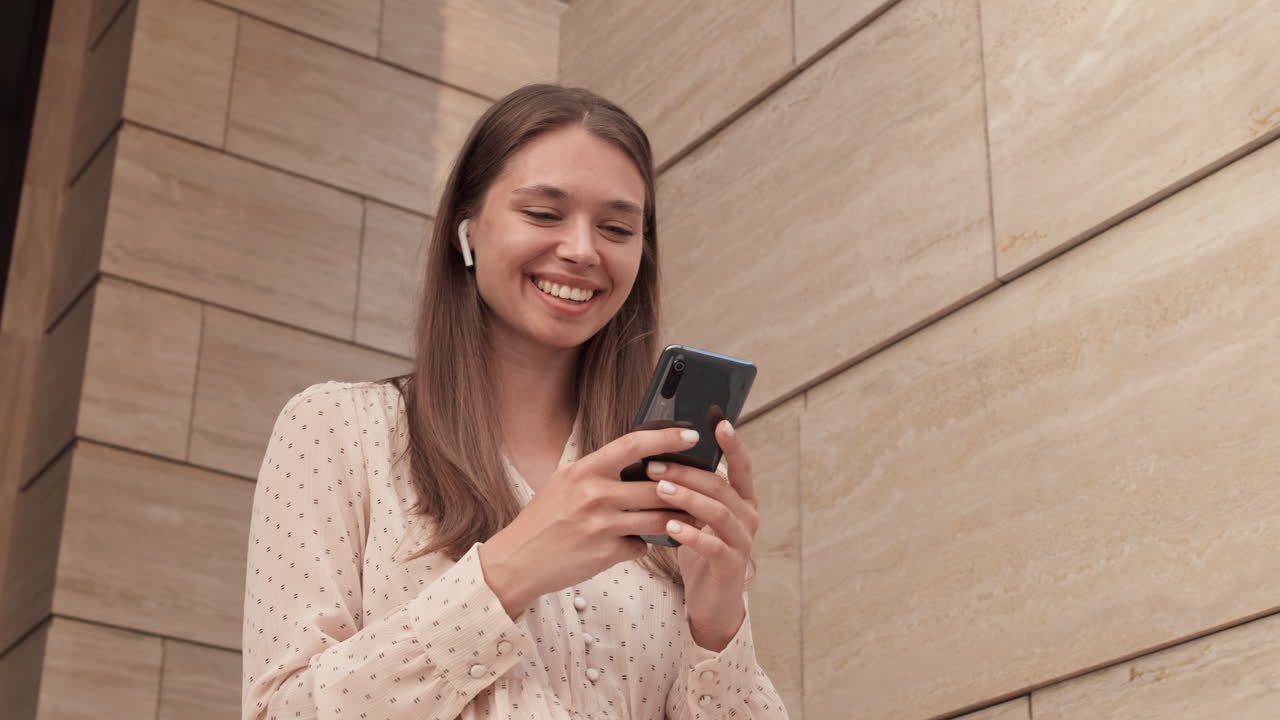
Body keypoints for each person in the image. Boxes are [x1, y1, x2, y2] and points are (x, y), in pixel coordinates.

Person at [241, 84, 789, 720]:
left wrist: (717, 624)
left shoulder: (661, 484)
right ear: (465, 230)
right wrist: (506, 572)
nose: (583, 250)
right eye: (544, 214)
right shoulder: (339, 430)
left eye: (616, 228)